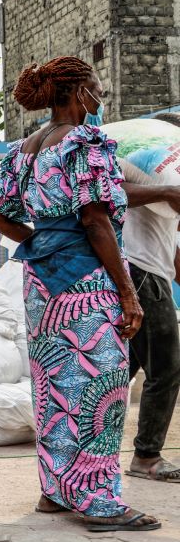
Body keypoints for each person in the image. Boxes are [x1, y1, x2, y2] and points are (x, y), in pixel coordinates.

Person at [0, 56, 160, 531]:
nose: (101, 95)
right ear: (78, 91)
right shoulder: (86, 142)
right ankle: (99, 500)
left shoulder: (24, 150)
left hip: (41, 285)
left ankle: (55, 491)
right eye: (97, 86)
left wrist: (42, 241)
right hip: (86, 284)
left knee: (55, 387)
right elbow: (96, 219)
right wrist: (128, 293)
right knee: (102, 388)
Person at [118, 184, 180, 482]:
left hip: (154, 274)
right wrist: (168, 192)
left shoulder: (167, 164)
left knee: (120, 370)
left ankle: (84, 450)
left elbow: (169, 244)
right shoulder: (142, 155)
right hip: (141, 273)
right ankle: (147, 457)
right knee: (166, 367)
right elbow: (107, 190)